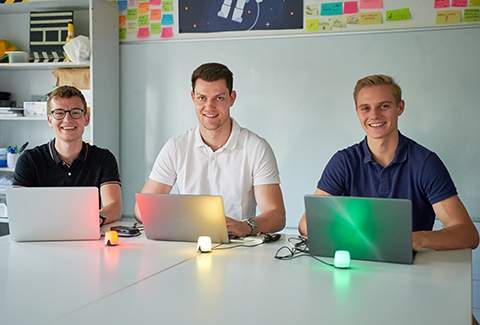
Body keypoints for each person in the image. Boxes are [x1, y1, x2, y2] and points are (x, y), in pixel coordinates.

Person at [298, 74, 479, 252]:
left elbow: (468, 234)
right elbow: (306, 224)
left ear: (399, 107)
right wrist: (356, 237)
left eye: (384, 106)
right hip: (355, 265)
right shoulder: (343, 162)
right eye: (365, 108)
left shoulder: (425, 163)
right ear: (357, 112)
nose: (374, 115)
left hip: (412, 272)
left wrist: (415, 239)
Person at [134, 62, 285, 237]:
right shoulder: (176, 147)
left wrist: (247, 226)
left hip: (239, 246)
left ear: (232, 98)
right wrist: (173, 221)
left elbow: (277, 215)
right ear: (193, 97)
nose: (209, 107)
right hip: (187, 241)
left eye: (219, 98)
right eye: (202, 98)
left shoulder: (256, 147)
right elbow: (140, 209)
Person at [13, 85, 122, 226]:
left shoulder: (104, 159)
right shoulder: (29, 160)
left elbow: (114, 206)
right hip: (41, 238)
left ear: (86, 119)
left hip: (88, 236)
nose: (67, 119)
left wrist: (97, 218)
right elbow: (19, 211)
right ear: (50, 120)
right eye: (59, 113)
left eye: (75, 113)